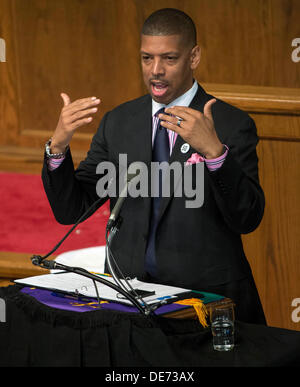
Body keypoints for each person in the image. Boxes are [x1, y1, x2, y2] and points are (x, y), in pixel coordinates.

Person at [42, 8, 266, 324]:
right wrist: (58, 147)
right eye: (147, 58)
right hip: (130, 302)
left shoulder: (231, 124)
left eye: (169, 59)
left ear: (194, 56)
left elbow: (248, 217)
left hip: (203, 303)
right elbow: (71, 209)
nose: (155, 70)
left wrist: (215, 153)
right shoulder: (118, 123)